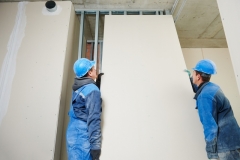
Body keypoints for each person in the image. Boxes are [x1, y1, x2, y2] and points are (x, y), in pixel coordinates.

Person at [186, 59, 240, 160]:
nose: (192, 75)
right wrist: (187, 79)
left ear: (198, 76)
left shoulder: (204, 96)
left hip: (225, 147)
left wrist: (212, 154)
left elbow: (210, 127)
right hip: (232, 141)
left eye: (193, 73)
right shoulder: (212, 87)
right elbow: (198, 87)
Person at [66, 58, 102, 160]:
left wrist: (96, 84)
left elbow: (81, 105)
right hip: (82, 136)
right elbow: (94, 119)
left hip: (73, 132)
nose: (96, 70)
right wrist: (96, 146)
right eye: (94, 69)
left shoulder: (78, 86)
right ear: (90, 73)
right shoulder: (92, 90)